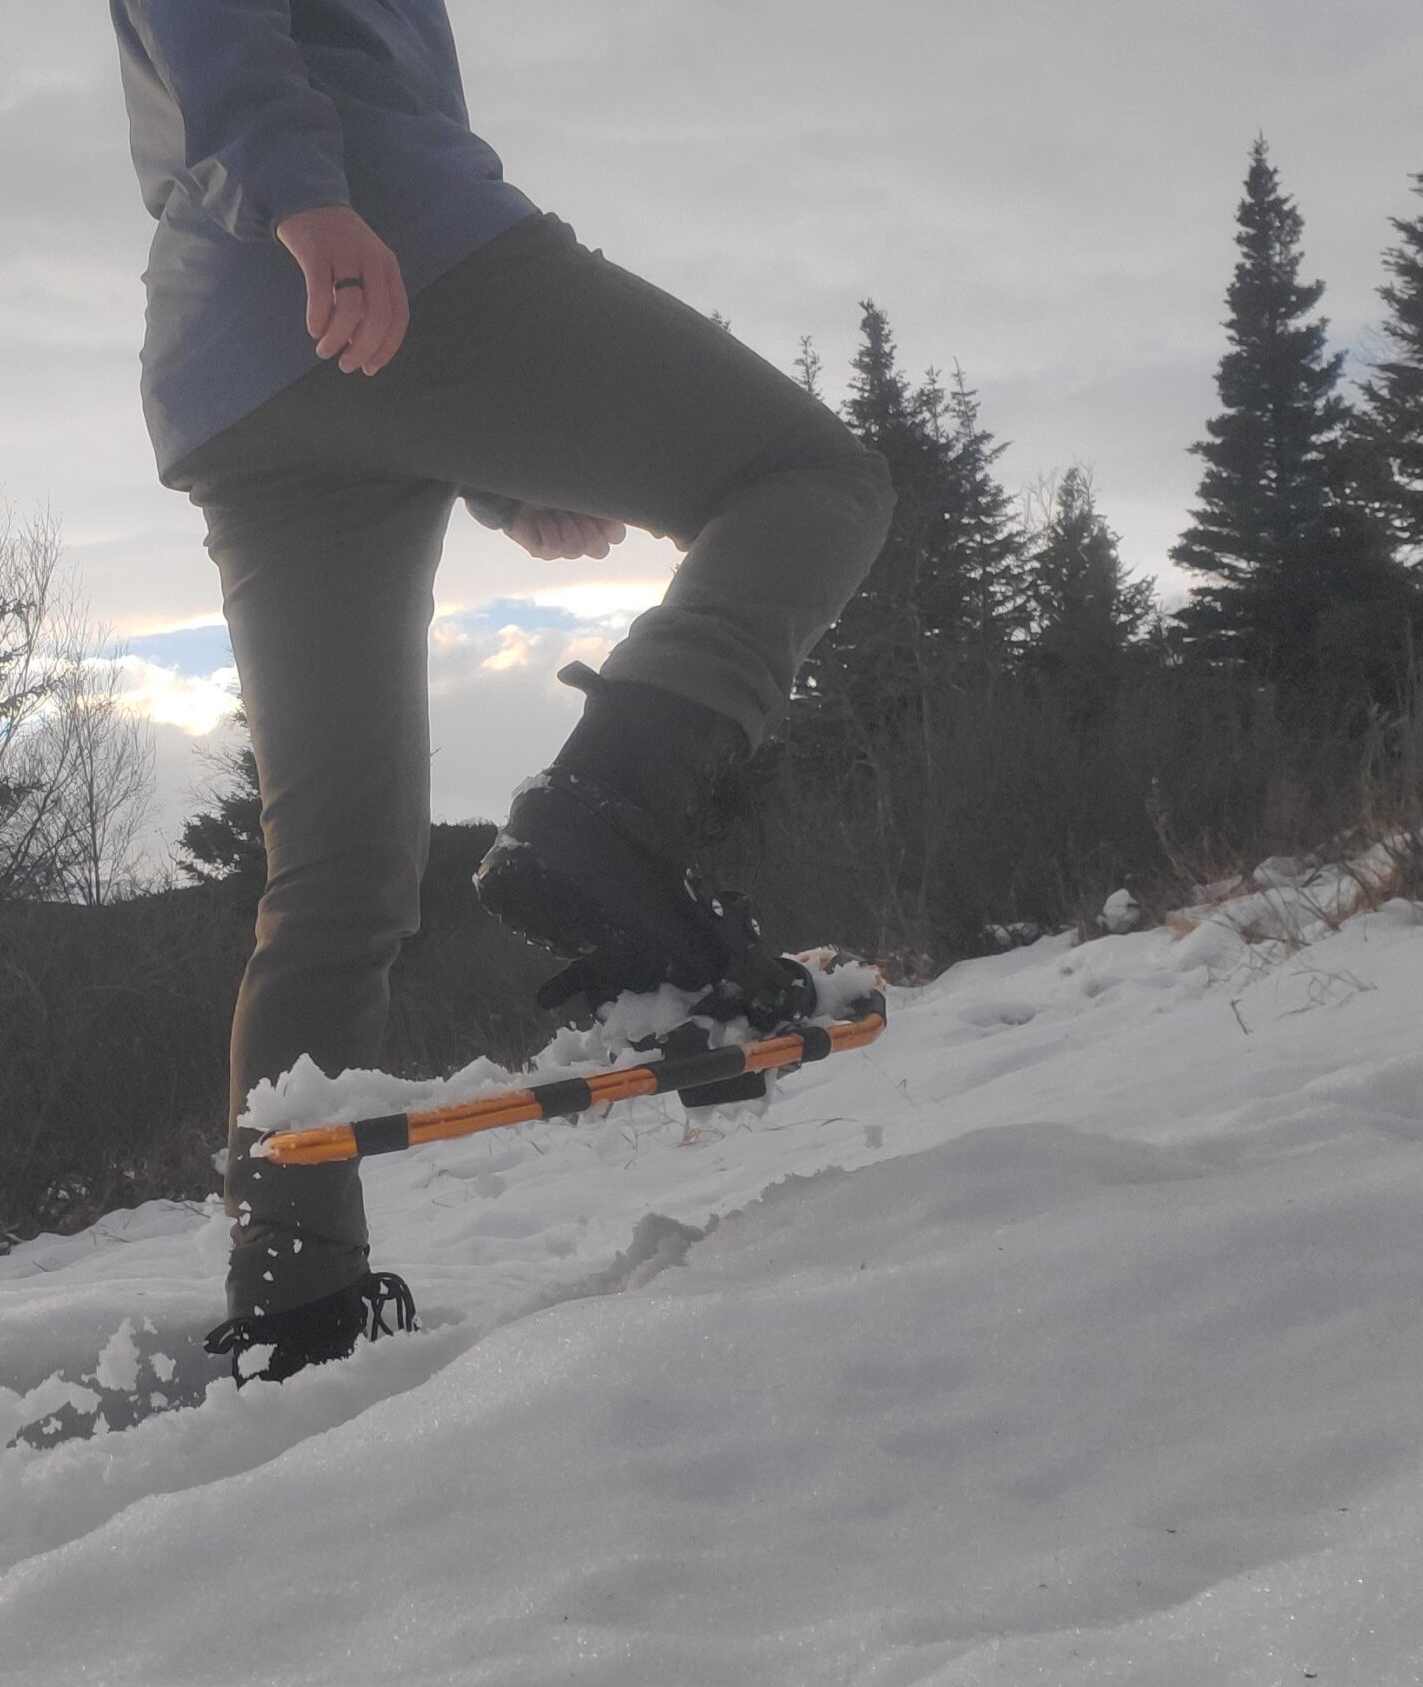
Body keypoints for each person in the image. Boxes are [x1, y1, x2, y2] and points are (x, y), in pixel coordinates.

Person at [109, 0, 895, 1383]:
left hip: (235, 374)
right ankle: (613, 805)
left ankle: (294, 1320)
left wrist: (491, 471)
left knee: (336, 885)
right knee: (810, 477)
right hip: (378, 235)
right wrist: (309, 197)